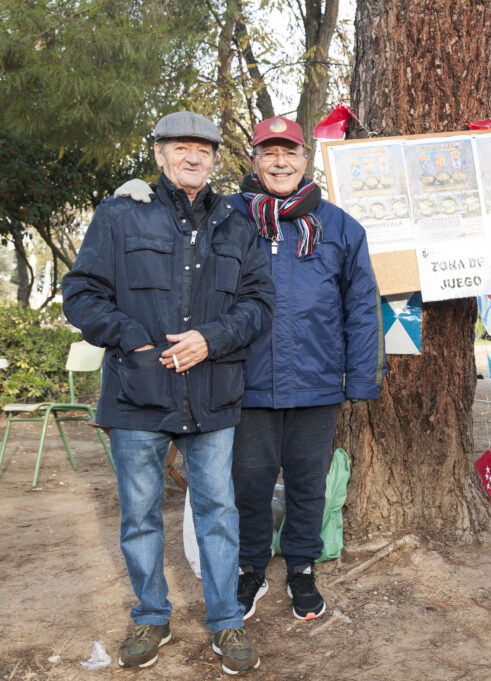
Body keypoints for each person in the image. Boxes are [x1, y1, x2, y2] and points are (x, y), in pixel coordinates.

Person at [117, 115, 385, 622]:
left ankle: (302, 567)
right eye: (269, 153)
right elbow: (175, 224)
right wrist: (137, 196)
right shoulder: (226, 217)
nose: (280, 162)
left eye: (290, 153)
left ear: (305, 160)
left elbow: (362, 306)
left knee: (309, 482)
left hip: (317, 381)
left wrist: (362, 377)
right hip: (245, 380)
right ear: (254, 161)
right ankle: (251, 568)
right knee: (250, 484)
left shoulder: (341, 227)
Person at [62, 111, 273, 674]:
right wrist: (131, 338)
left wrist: (213, 338)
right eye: (181, 147)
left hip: (214, 393)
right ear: (159, 154)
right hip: (138, 394)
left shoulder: (236, 222)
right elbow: (80, 294)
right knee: (139, 516)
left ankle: (227, 623)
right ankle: (151, 616)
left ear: (215, 159)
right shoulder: (119, 215)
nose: (193, 157)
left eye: (203, 149)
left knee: (218, 514)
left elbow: (259, 304)